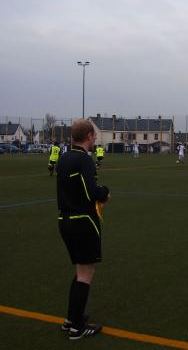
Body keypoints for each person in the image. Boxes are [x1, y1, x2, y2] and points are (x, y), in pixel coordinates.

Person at [56, 119, 110, 340]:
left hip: (65, 220)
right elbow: (91, 192)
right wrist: (104, 192)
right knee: (86, 272)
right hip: (83, 221)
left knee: (80, 271)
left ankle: (71, 319)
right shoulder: (84, 160)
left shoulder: (64, 157)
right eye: (94, 134)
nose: (95, 137)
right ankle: (77, 328)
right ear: (88, 135)